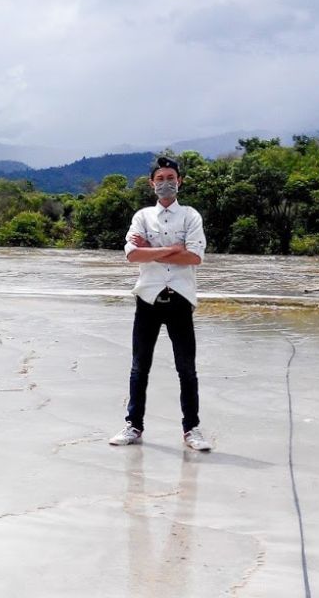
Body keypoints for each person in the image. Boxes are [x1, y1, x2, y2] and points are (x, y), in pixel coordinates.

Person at [109, 155, 212, 451]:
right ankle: (133, 426)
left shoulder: (190, 216)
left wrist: (152, 250)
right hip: (148, 299)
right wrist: (173, 249)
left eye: (171, 178)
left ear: (180, 182)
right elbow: (131, 254)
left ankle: (191, 429)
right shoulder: (142, 217)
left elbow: (195, 257)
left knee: (186, 369)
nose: (166, 183)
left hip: (180, 298)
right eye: (160, 179)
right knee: (139, 367)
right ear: (151, 183)